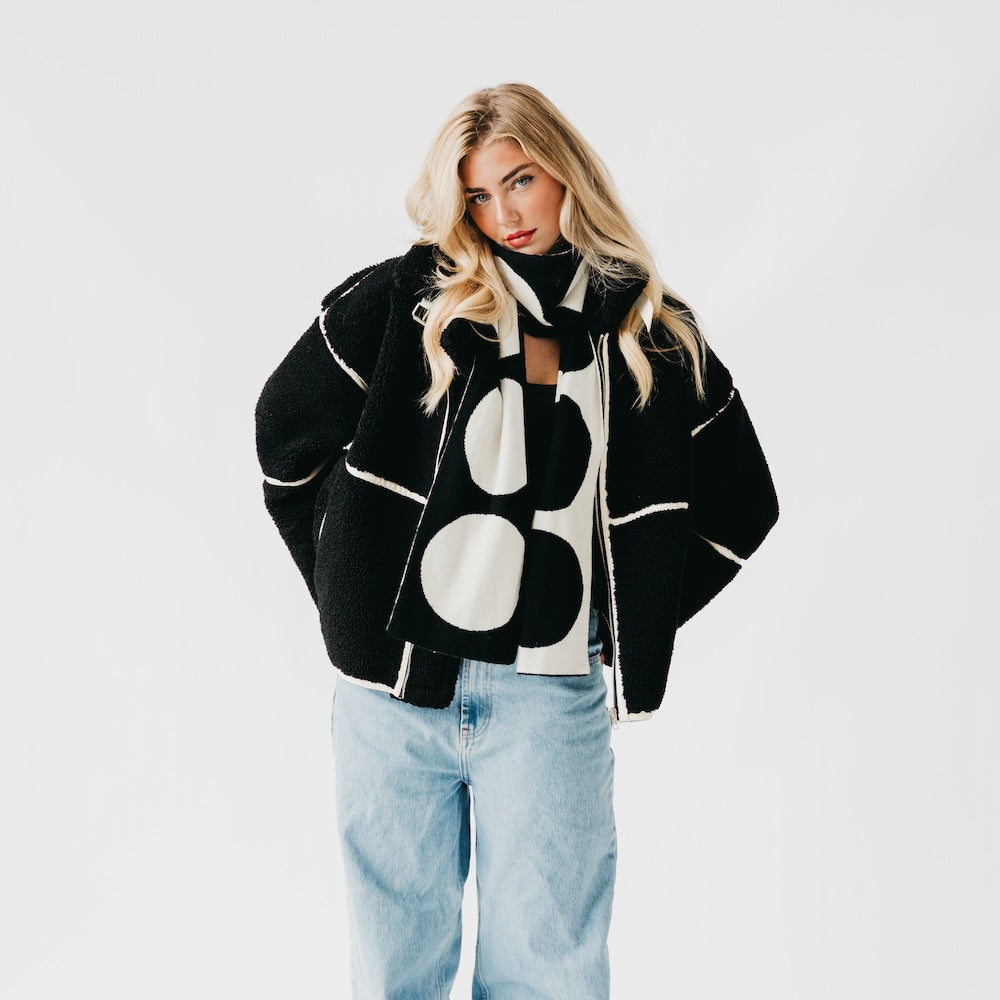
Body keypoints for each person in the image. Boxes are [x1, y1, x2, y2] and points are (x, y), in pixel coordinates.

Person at [254, 82, 779, 999]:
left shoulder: (643, 329)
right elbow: (285, 435)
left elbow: (743, 500)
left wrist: (625, 610)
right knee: (393, 978)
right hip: (394, 695)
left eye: (520, 181)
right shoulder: (403, 304)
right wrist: (349, 584)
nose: (503, 215)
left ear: (564, 170)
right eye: (478, 197)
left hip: (548, 698)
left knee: (552, 977)